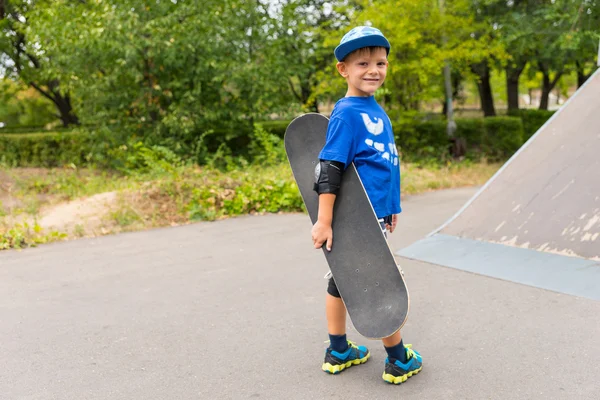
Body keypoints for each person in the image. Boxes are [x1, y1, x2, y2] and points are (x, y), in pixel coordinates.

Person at [311, 26, 423, 385]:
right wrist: (324, 221)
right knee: (376, 284)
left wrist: (391, 209)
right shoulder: (346, 113)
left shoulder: (375, 110)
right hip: (355, 217)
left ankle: (339, 350)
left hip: (374, 214)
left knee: (341, 283)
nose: (374, 69)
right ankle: (397, 357)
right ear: (343, 69)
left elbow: (383, 167)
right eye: (363, 63)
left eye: (381, 62)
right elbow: (329, 169)